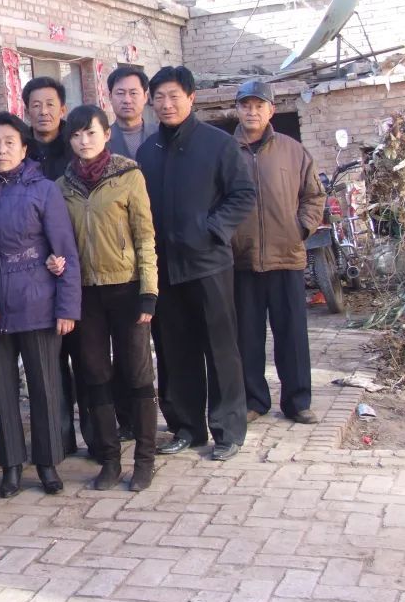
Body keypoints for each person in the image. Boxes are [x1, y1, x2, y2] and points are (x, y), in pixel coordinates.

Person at [136, 66, 256, 461]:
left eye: (174, 96)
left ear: (191, 98)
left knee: (220, 349)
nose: (166, 104)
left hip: (208, 264)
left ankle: (228, 430)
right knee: (174, 350)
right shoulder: (147, 151)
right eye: (159, 97)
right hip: (165, 268)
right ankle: (187, 427)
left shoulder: (218, 144)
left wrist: (211, 230)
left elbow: (242, 194)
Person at [0, 111, 81, 498]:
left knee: (44, 385)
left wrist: (67, 307)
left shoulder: (44, 190)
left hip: (38, 301)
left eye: (9, 142)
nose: (1, 149)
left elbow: (64, 250)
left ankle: (48, 463)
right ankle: (11, 466)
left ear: (24, 148)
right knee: (1, 390)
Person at [58, 105, 159, 491]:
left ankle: (145, 459)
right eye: (76, 135)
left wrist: (149, 291)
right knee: (96, 375)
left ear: (106, 135)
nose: (84, 141)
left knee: (137, 373)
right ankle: (111, 459)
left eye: (91, 133)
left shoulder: (128, 175)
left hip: (127, 288)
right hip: (86, 294)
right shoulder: (62, 186)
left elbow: (145, 237)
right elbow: (58, 240)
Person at [230, 80, 325, 425]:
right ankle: (254, 400)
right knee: (247, 337)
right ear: (236, 110)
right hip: (242, 260)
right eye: (246, 105)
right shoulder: (225, 151)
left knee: (292, 335)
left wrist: (301, 229)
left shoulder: (292, 150)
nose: (252, 112)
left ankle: (298, 401)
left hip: (286, 256)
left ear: (271, 110)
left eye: (259, 105)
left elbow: (314, 196)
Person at [23, 75, 88, 457]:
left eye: (50, 104)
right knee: (51, 364)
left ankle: (98, 436)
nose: (43, 111)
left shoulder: (76, 148)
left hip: (78, 267)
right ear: (26, 111)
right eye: (36, 105)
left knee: (87, 357)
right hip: (35, 273)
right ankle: (59, 441)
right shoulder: (20, 151)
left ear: (62, 109)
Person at [106, 66, 162, 441]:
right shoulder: (101, 139)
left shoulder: (161, 136)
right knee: (123, 344)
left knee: (165, 340)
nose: (127, 100)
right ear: (109, 96)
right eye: (120, 93)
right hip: (118, 259)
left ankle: (169, 413)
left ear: (145, 96)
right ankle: (126, 418)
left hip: (158, 249)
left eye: (133, 92)